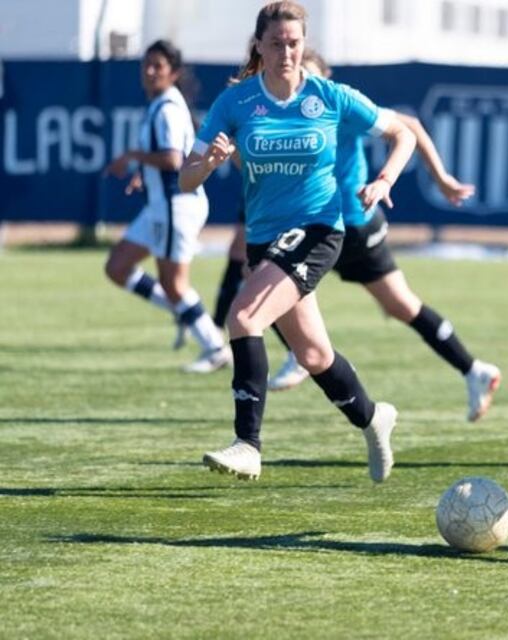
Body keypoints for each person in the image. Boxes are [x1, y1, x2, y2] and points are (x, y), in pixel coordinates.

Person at [178, 1, 417, 483]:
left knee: (243, 317)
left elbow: (402, 133)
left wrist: (385, 179)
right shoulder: (236, 102)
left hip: (318, 230)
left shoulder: (331, 96)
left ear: (303, 45)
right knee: (314, 356)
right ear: (259, 47)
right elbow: (186, 178)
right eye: (276, 44)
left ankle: (248, 444)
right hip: (264, 241)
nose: (286, 53)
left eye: (294, 43)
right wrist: (209, 165)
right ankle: (373, 418)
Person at [263, 50, 501, 423]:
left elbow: (410, 127)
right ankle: (475, 371)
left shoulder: (341, 106)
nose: (305, 86)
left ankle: (473, 370)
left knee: (398, 305)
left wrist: (441, 179)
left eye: (312, 76)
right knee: (265, 277)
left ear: (327, 77)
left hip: (353, 226)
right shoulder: (285, 114)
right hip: (317, 225)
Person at [103, 40, 231, 374]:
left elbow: (173, 159)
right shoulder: (159, 105)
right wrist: (144, 175)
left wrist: (132, 157)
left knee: (174, 284)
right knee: (117, 267)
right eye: (146, 64)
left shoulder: (168, 109)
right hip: (160, 204)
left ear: (173, 73)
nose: (149, 71)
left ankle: (215, 347)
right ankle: (186, 312)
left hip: (177, 204)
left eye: (158, 66)